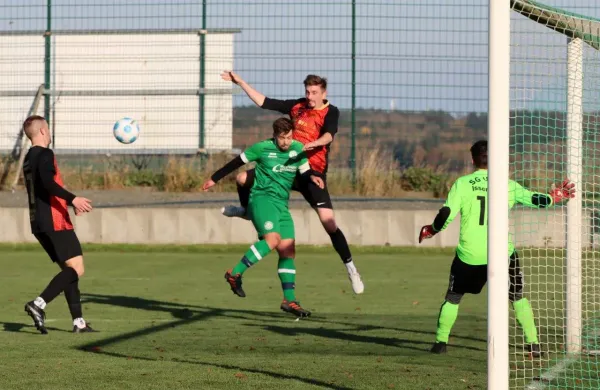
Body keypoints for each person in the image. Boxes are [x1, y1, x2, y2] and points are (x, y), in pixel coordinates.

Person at [418, 140, 575, 357]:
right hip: (502, 254)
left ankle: (440, 344)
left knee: (453, 297)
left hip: (470, 256)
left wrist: (431, 230)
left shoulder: (462, 184)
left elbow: (445, 216)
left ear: (472, 160)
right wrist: (555, 197)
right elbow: (536, 200)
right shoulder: (506, 184)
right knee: (517, 296)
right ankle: (534, 345)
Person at [219, 71, 364, 295]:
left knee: (329, 223)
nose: (310, 96)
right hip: (286, 169)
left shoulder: (330, 111)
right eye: (307, 91)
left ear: (323, 93)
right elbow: (263, 102)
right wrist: (240, 82)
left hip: (310, 172)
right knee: (241, 178)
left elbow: (328, 136)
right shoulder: (297, 106)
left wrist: (311, 145)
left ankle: (351, 268)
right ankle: (246, 210)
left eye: (314, 92)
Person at [203, 118, 324, 318]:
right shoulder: (262, 148)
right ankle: (235, 273)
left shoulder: (298, 148)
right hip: (262, 200)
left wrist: (313, 176)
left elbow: (305, 172)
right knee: (272, 240)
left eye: (289, 137)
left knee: (288, 251)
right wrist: (213, 178)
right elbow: (236, 163)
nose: (286, 142)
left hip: (281, 205)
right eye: (282, 138)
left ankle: (289, 300)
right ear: (275, 136)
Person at [21, 115, 95, 334]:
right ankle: (39, 303)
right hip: (54, 220)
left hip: (38, 221)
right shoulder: (45, 154)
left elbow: (44, 188)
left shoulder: (28, 157)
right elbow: (47, 183)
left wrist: (66, 202)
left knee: (68, 270)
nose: (50, 132)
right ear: (43, 131)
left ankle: (79, 322)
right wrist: (73, 199)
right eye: (49, 129)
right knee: (77, 269)